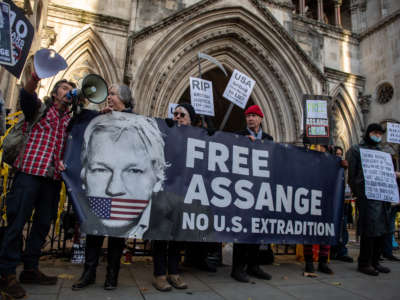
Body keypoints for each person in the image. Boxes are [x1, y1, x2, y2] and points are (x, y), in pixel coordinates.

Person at [0, 73, 75, 299]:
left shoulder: (70, 120)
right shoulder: (39, 109)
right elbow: (26, 94)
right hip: (29, 173)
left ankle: (31, 268)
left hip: (51, 180)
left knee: (43, 223)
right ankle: (6, 274)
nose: (67, 91)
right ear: (54, 93)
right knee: (17, 223)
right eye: (63, 88)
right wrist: (34, 77)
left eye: (71, 90)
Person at [72, 84, 136, 291]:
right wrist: (99, 120)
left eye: (113, 94)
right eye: (108, 94)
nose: (109, 97)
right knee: (95, 230)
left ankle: (112, 275)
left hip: (121, 186)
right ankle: (88, 273)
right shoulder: (102, 117)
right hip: (101, 185)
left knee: (116, 234)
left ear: (124, 100)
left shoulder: (136, 121)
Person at [151, 103, 196, 292]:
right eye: (175, 114)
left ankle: (174, 273)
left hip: (183, 192)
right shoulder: (165, 133)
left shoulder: (196, 138)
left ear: (190, 120)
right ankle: (159, 275)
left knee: (178, 234)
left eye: (182, 115)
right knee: (160, 234)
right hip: (163, 190)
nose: (177, 117)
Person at [231, 104, 272, 283]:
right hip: (243, 189)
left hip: (261, 189)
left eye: (254, 115)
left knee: (256, 229)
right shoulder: (239, 136)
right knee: (242, 230)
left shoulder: (269, 139)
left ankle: (253, 266)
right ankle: (237, 268)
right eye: (248, 116)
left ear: (261, 118)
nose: (250, 118)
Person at [346, 123, 394, 276]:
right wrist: (359, 191)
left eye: (380, 133)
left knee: (382, 229)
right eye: (375, 132)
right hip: (367, 195)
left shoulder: (382, 152)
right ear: (368, 133)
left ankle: (375, 261)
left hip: (383, 196)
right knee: (370, 228)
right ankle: (364, 262)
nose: (378, 136)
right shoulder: (355, 150)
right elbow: (352, 176)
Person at [303, 144, 334, 275]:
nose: (319, 149)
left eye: (322, 147)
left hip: (325, 198)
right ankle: (309, 262)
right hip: (309, 197)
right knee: (309, 231)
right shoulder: (306, 160)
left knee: (325, 230)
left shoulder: (330, 161)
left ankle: (323, 261)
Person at [330, 146, 354, 263]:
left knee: (342, 227)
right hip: (330, 203)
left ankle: (342, 251)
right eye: (336, 154)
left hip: (342, 202)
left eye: (340, 154)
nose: (339, 157)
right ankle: (333, 251)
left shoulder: (343, 169)